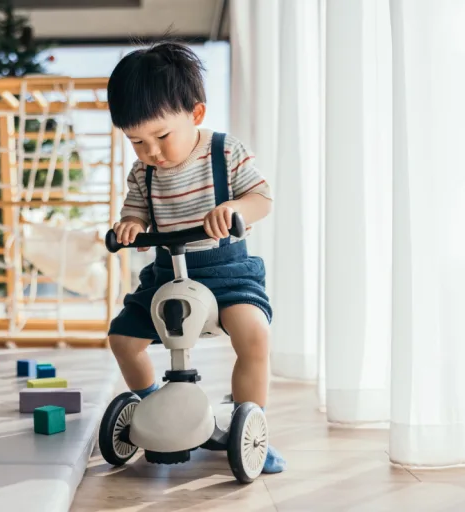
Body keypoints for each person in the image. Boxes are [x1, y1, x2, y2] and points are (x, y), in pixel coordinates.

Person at [106, 41, 285, 474]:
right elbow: (136, 210)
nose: (151, 152)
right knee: (123, 340)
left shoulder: (225, 152)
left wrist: (234, 210)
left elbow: (262, 199)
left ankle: (250, 423)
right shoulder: (143, 172)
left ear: (196, 115)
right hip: (166, 272)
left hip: (225, 271)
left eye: (161, 136)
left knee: (254, 335)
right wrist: (131, 225)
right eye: (136, 141)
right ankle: (149, 404)